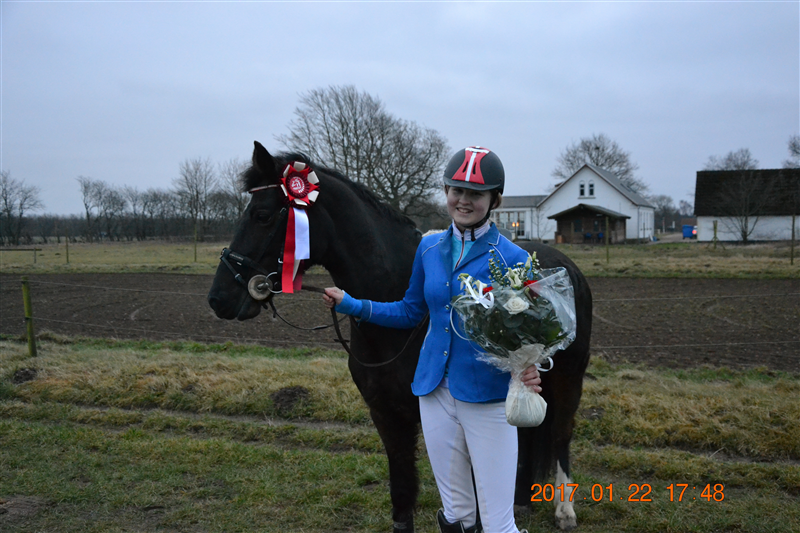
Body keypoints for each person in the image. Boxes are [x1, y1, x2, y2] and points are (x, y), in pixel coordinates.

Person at [323, 146, 541, 533]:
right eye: (456, 190)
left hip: (486, 395)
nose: (464, 200)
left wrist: (530, 366)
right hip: (434, 390)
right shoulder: (428, 248)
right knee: (456, 512)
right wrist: (352, 304)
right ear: (446, 191)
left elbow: (531, 331)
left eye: (476, 193)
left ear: (495, 200)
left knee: (497, 521)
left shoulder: (514, 258)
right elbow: (410, 311)